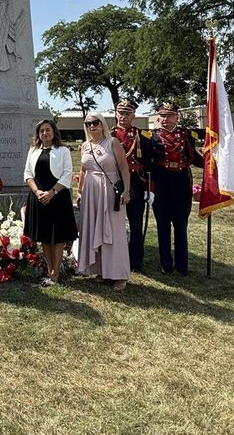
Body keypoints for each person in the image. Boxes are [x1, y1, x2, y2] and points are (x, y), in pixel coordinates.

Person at [76, 112, 132, 291]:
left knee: (113, 231)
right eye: (88, 124)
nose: (92, 126)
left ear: (102, 124)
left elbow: (124, 169)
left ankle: (119, 274)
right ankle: (100, 269)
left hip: (109, 191)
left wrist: (126, 190)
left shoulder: (113, 142)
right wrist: (79, 192)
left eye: (95, 122)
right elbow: (83, 171)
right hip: (90, 192)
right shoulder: (85, 146)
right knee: (94, 229)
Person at [150, 101, 204, 276]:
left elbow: (195, 158)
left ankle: (182, 265)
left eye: (169, 115)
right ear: (158, 117)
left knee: (181, 225)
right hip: (161, 182)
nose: (165, 119)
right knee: (163, 225)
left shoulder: (187, 135)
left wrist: (212, 161)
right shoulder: (151, 136)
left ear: (177, 117)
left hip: (181, 181)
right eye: (162, 116)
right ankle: (166, 263)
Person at [24, 119, 77, 287]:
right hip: (38, 197)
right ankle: (49, 271)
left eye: (48, 130)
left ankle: (55, 274)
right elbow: (27, 173)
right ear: (38, 134)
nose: (45, 133)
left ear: (54, 132)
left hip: (57, 197)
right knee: (45, 236)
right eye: (41, 131)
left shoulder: (63, 151)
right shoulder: (33, 151)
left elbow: (67, 174)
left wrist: (52, 192)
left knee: (57, 237)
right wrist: (37, 191)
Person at [111, 98, 153, 272]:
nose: (123, 117)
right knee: (114, 224)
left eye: (127, 114)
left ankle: (136, 261)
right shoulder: (109, 135)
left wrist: (150, 189)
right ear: (116, 114)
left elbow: (149, 165)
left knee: (136, 224)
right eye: (121, 113)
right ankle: (115, 259)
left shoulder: (142, 136)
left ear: (133, 115)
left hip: (136, 182)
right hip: (114, 182)